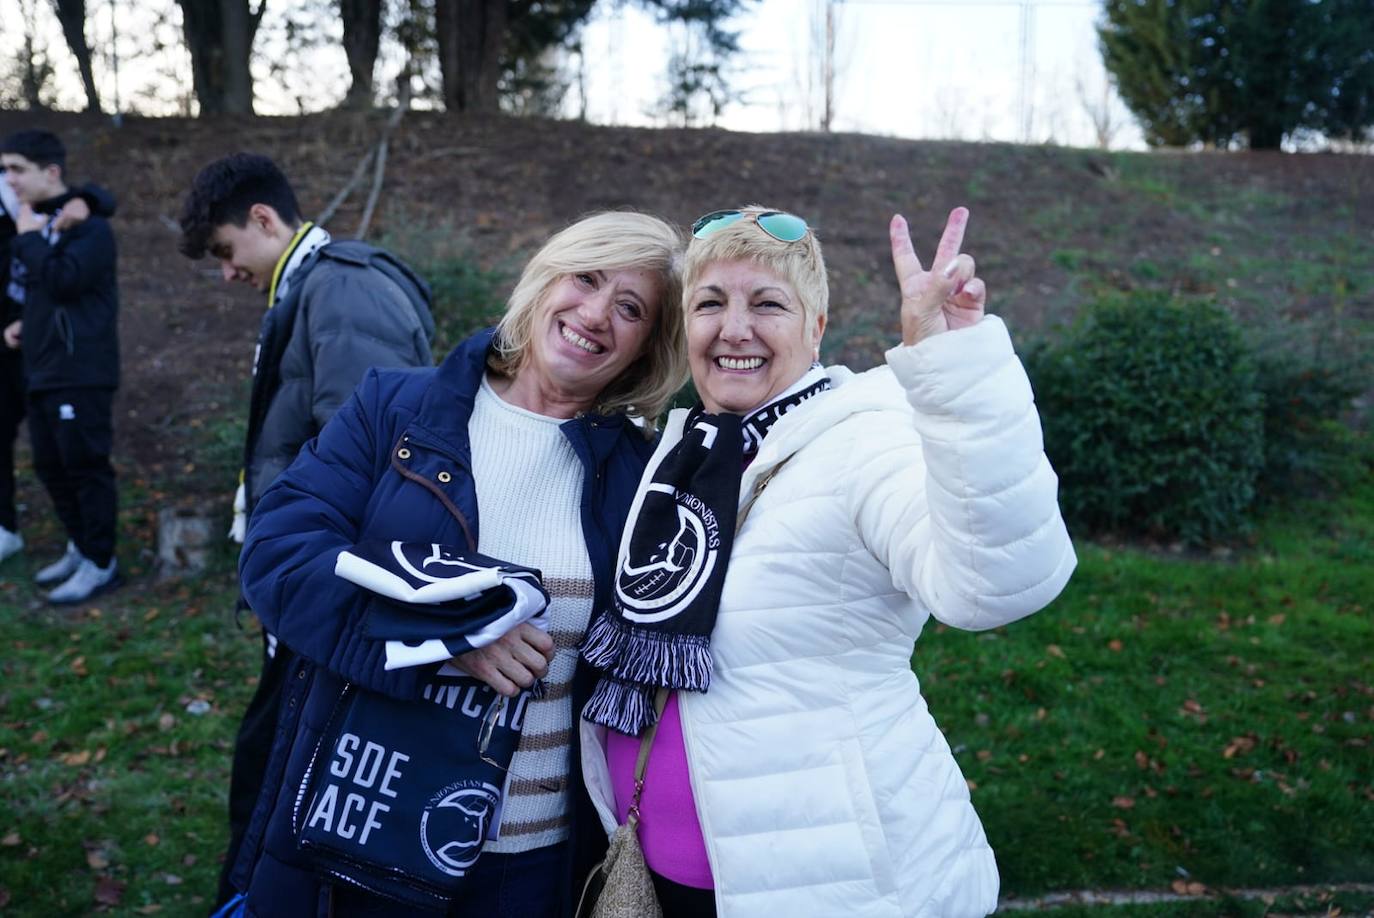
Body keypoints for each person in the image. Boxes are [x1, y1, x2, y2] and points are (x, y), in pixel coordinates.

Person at [579, 205, 1078, 917]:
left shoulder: (863, 443)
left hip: (832, 888)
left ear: (816, 329)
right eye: (710, 303)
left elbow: (992, 585)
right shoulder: (683, 455)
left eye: (768, 304)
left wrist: (955, 371)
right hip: (668, 882)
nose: (735, 329)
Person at [232, 211, 688, 917]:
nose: (596, 314)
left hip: (534, 860)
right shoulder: (399, 408)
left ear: (646, 348)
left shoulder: (640, 474)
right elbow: (278, 553)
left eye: (630, 308)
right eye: (586, 279)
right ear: (543, 281)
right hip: (366, 826)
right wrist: (450, 633)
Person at [176, 152, 438, 910]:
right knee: (269, 765)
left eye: (226, 251)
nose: (227, 273)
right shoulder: (314, 286)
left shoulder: (343, 287)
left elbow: (374, 462)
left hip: (332, 597)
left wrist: (319, 592)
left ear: (264, 221)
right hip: (310, 589)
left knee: (278, 770)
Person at [0, 130, 121, 603]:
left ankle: (101, 561)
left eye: (16, 169)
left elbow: (64, 281)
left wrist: (30, 242)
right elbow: (40, 295)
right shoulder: (41, 222)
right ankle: (81, 545)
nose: (9, 180)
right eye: (5, 170)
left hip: (82, 370)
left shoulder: (89, 228)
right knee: (52, 465)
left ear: (50, 172)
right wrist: (22, 329)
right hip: (42, 367)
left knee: (85, 465)